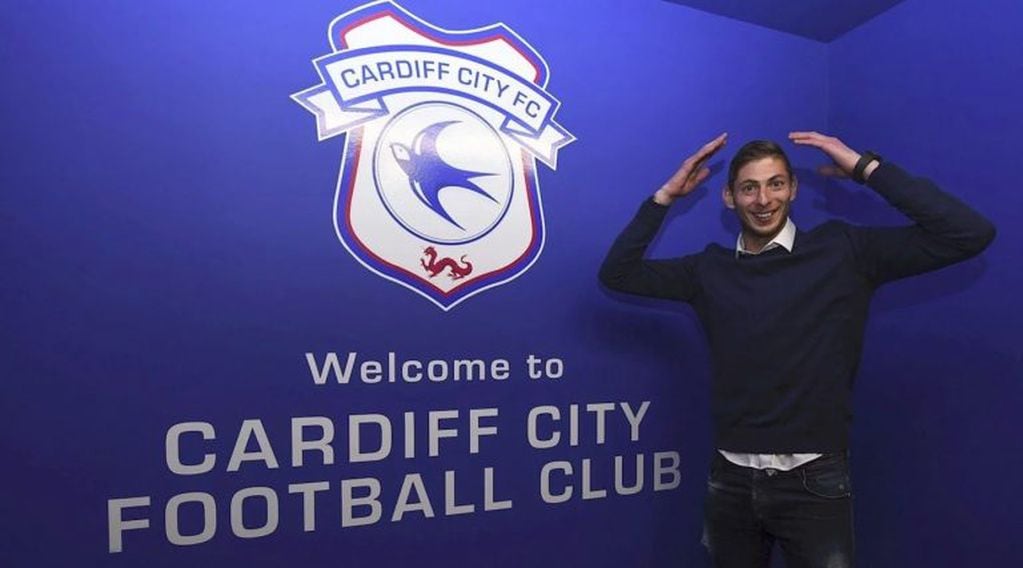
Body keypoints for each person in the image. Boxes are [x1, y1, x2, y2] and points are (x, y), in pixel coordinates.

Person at [598, 131, 995, 568]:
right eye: (749, 187)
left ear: (793, 189)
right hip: (730, 480)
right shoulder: (707, 270)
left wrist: (866, 169)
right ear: (729, 198)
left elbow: (969, 233)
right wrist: (665, 197)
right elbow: (618, 274)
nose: (764, 199)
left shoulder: (844, 251)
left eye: (776, 184)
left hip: (815, 481)